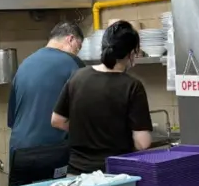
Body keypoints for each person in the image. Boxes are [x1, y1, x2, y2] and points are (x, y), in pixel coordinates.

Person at [51, 21, 153, 173]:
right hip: (115, 177)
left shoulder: (78, 77)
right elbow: (142, 143)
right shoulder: (132, 86)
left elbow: (57, 121)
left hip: (77, 176)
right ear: (131, 54)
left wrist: (87, 132)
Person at [7, 21, 85, 186]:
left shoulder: (25, 64)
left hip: (19, 152)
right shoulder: (73, 63)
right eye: (78, 47)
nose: (77, 53)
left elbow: (12, 120)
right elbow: (86, 114)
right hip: (52, 151)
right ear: (70, 39)